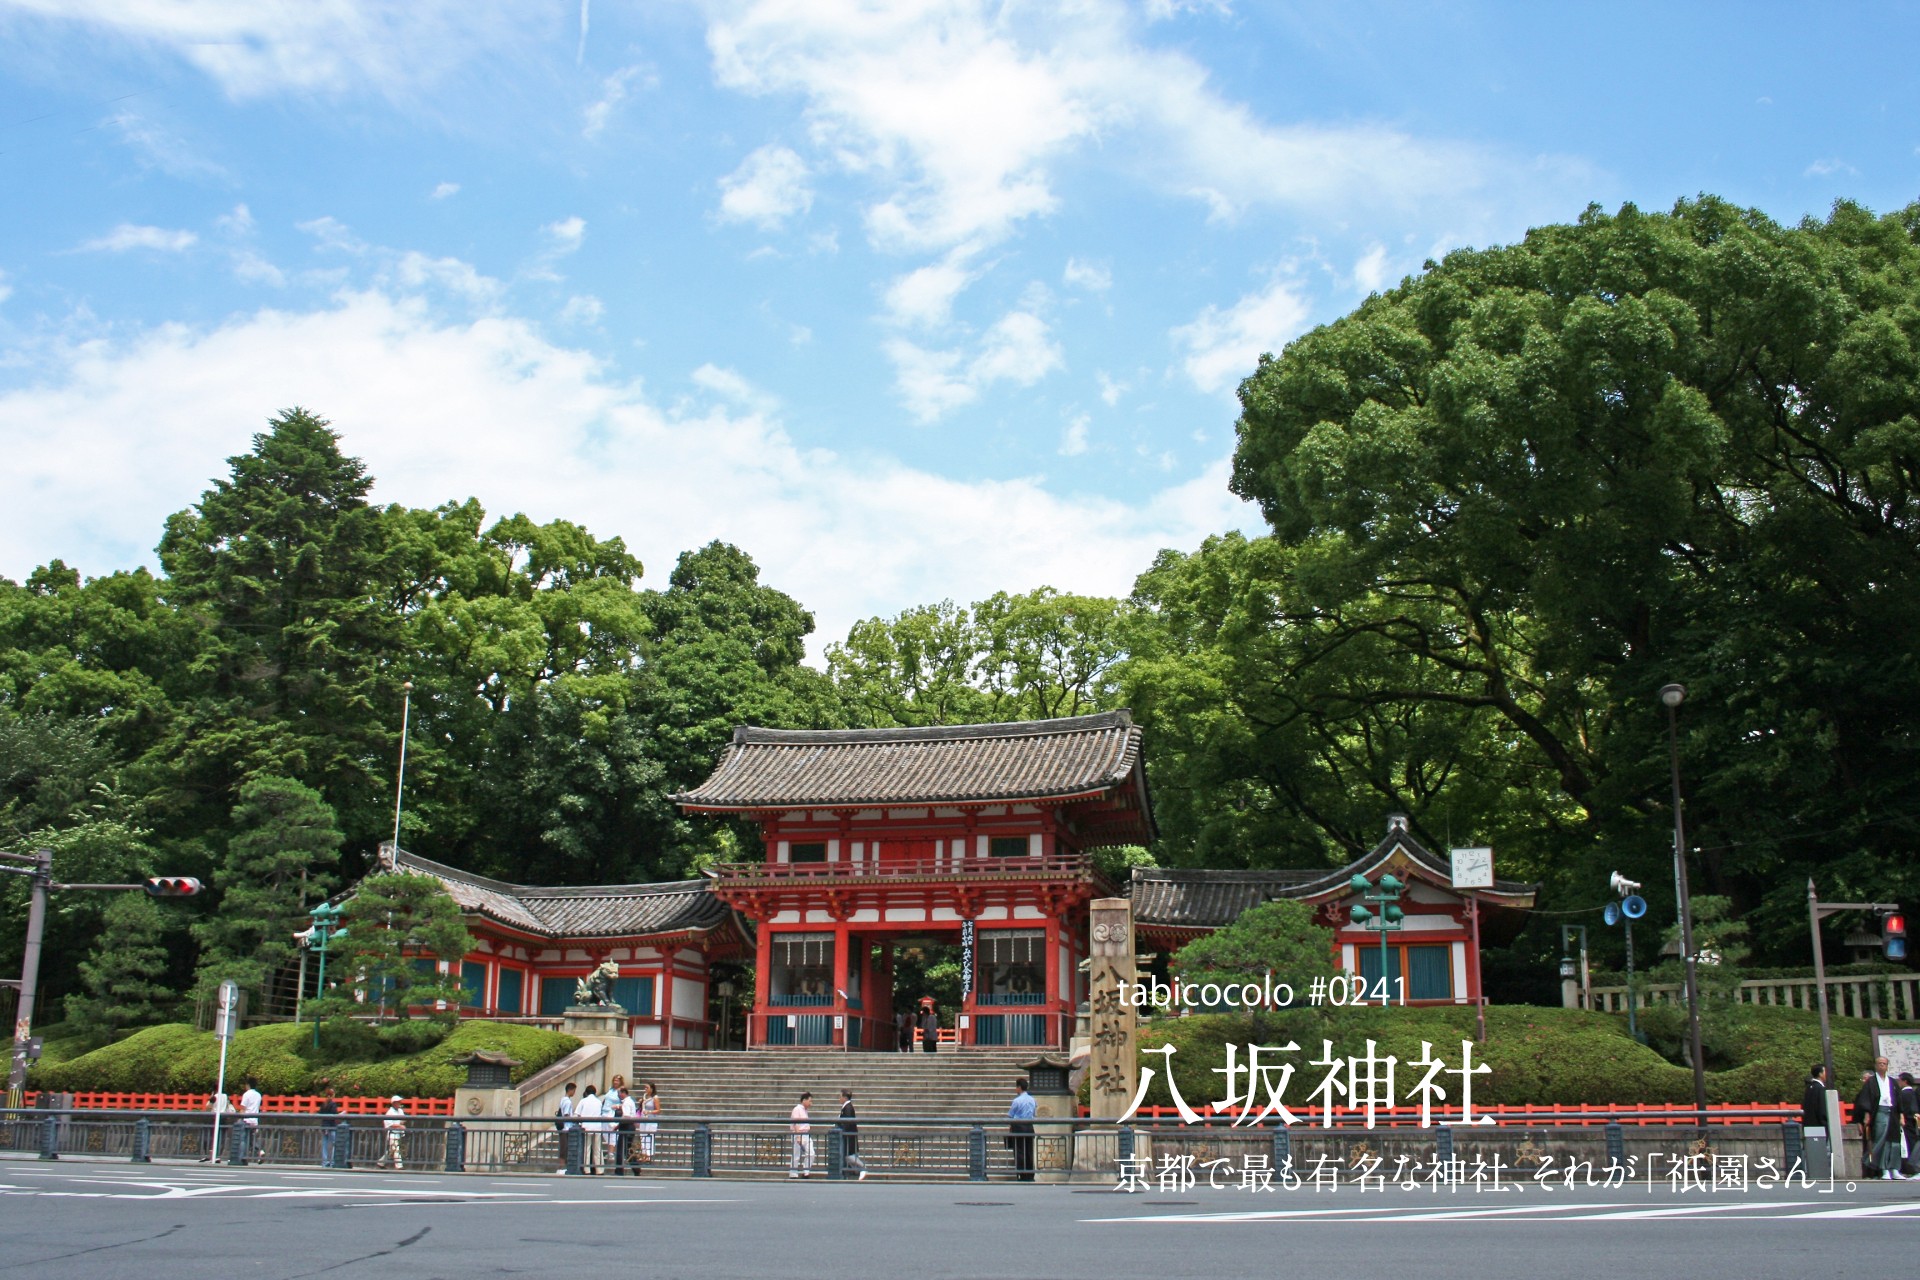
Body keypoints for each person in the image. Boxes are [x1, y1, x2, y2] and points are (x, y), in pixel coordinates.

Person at [1853, 1056, 1904, 1179]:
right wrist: (1866, 1114)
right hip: (1879, 1111)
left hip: (1892, 1112)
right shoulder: (1871, 1082)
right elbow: (1865, 1100)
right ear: (1875, 1066)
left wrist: (1901, 1115)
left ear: (1887, 1066)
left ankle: (1894, 1168)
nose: (1882, 1065)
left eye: (1884, 1063)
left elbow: (1899, 1100)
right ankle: (1884, 1168)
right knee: (1882, 1140)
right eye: (1879, 1063)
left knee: (1895, 1141)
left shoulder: (1892, 1082)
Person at [1006, 1078, 1036, 1182]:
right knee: (1029, 1150)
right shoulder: (1032, 1099)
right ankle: (1030, 1174)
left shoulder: (1016, 1101)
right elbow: (1034, 1113)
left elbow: (1010, 1115)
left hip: (1018, 1126)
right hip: (1029, 1126)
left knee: (1019, 1151)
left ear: (1019, 1087)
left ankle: (1021, 1173)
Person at [838, 1088, 866, 1180]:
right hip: (848, 1135)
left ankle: (862, 1167)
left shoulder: (848, 1108)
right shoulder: (846, 1107)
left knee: (848, 1155)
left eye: (840, 1096)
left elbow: (847, 1123)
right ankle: (855, 1170)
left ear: (845, 1097)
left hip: (848, 1136)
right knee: (847, 1155)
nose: (839, 1098)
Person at [578, 1085, 605, 1175]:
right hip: (597, 1127)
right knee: (597, 1149)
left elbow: (577, 1114)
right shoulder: (598, 1102)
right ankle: (599, 1169)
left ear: (586, 1092)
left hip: (586, 1127)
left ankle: (587, 1169)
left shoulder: (583, 1101)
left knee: (587, 1148)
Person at [317, 1086, 345, 1170]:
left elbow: (320, 1113)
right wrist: (341, 1114)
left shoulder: (324, 1104)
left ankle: (324, 1162)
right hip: (331, 1126)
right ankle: (332, 1161)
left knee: (325, 1144)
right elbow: (335, 1115)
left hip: (324, 1125)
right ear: (333, 1095)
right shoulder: (333, 1104)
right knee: (334, 1143)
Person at [238, 1077, 265, 1164]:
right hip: (255, 1120)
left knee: (243, 1139)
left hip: (246, 1119)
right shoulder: (258, 1095)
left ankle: (243, 1157)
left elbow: (243, 1108)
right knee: (252, 1139)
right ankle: (260, 1152)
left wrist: (239, 1118)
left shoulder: (246, 1094)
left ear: (248, 1085)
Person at [376, 1095, 407, 1170]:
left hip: (399, 1133)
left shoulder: (400, 1110)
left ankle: (381, 1162)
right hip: (392, 1133)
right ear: (394, 1103)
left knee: (392, 1150)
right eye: (398, 1102)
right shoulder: (390, 1112)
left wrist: (402, 1123)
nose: (399, 1103)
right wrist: (399, 1126)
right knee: (396, 1149)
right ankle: (399, 1166)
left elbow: (403, 1119)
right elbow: (389, 1124)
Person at [199, 1090, 230, 1162]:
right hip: (223, 1117)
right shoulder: (225, 1096)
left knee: (212, 1137)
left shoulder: (215, 1097)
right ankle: (218, 1156)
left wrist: (211, 1097)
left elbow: (208, 1106)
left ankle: (212, 1155)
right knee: (221, 1137)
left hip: (215, 1117)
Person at [555, 1081, 579, 1174]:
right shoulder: (567, 1101)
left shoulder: (563, 1099)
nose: (574, 1093)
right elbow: (566, 1115)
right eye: (574, 1090)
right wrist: (574, 1119)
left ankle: (562, 1167)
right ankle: (561, 1168)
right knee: (564, 1149)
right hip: (566, 1128)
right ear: (570, 1090)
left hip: (564, 1128)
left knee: (564, 1148)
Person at [612, 1085, 636, 1174]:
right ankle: (636, 1168)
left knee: (621, 1149)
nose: (618, 1095)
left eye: (619, 1093)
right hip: (629, 1126)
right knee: (627, 1149)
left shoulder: (626, 1103)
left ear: (623, 1093)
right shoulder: (630, 1101)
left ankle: (619, 1169)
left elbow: (626, 1116)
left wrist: (619, 1123)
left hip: (626, 1126)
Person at [789, 1092, 813, 1178]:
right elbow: (796, 1123)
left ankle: (806, 1171)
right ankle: (793, 1172)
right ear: (804, 1100)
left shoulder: (805, 1110)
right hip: (799, 1133)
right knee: (796, 1154)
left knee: (811, 1153)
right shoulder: (797, 1109)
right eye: (810, 1101)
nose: (811, 1103)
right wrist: (798, 1136)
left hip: (806, 1133)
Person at [1900, 1071, 1919, 1178]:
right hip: (1914, 1122)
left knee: (1907, 1145)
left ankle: (1909, 1168)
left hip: (1906, 1122)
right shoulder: (1914, 1093)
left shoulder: (1903, 1094)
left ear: (1905, 1081)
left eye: (1900, 1080)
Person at [638, 1082, 660, 1165]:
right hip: (643, 1119)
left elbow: (658, 1110)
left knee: (649, 1136)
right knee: (642, 1136)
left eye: (647, 1088)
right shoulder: (645, 1097)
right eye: (645, 1088)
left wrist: (649, 1111)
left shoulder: (655, 1098)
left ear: (652, 1089)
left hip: (651, 1120)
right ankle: (644, 1154)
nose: (645, 1089)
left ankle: (648, 1155)